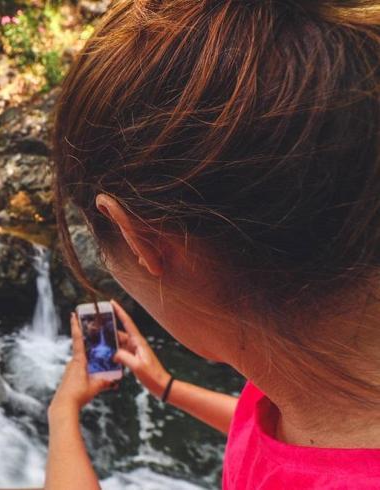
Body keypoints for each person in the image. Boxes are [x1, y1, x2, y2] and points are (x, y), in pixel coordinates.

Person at [44, 0, 380, 488]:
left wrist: (62, 412)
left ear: (143, 239)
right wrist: (166, 387)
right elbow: (276, 444)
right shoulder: (299, 375)